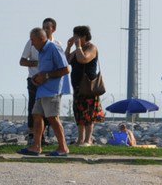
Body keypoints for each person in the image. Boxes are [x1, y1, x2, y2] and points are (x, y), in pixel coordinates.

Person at [22, 27, 71, 157]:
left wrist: (46, 76)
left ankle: (63, 148)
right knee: (37, 115)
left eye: (33, 40)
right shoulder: (42, 52)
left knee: (53, 118)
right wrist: (37, 77)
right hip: (42, 89)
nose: (32, 43)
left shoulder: (54, 48)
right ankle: (36, 147)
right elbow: (45, 71)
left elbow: (66, 69)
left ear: (41, 38)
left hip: (53, 90)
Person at [67, 26, 103, 145]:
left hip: (88, 87)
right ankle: (80, 139)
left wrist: (78, 47)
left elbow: (83, 59)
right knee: (79, 113)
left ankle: (88, 140)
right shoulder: (78, 49)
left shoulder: (91, 48)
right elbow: (66, 60)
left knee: (88, 114)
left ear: (84, 36)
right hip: (77, 87)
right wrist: (68, 47)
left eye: (77, 36)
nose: (75, 38)